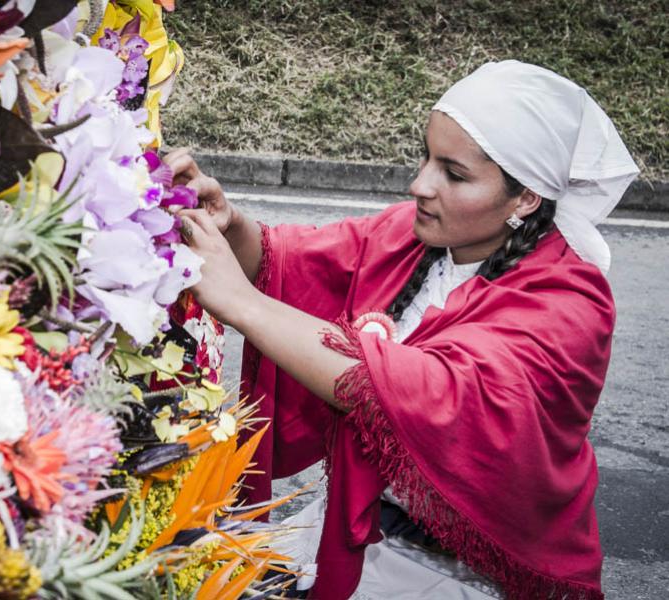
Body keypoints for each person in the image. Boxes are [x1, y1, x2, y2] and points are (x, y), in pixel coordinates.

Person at [164, 60, 640, 599]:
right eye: (427, 157)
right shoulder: (416, 235)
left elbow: (431, 393)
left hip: (468, 567)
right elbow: (290, 264)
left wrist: (242, 304)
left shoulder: (569, 303)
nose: (420, 184)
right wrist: (229, 225)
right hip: (362, 522)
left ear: (526, 198)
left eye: (453, 174)